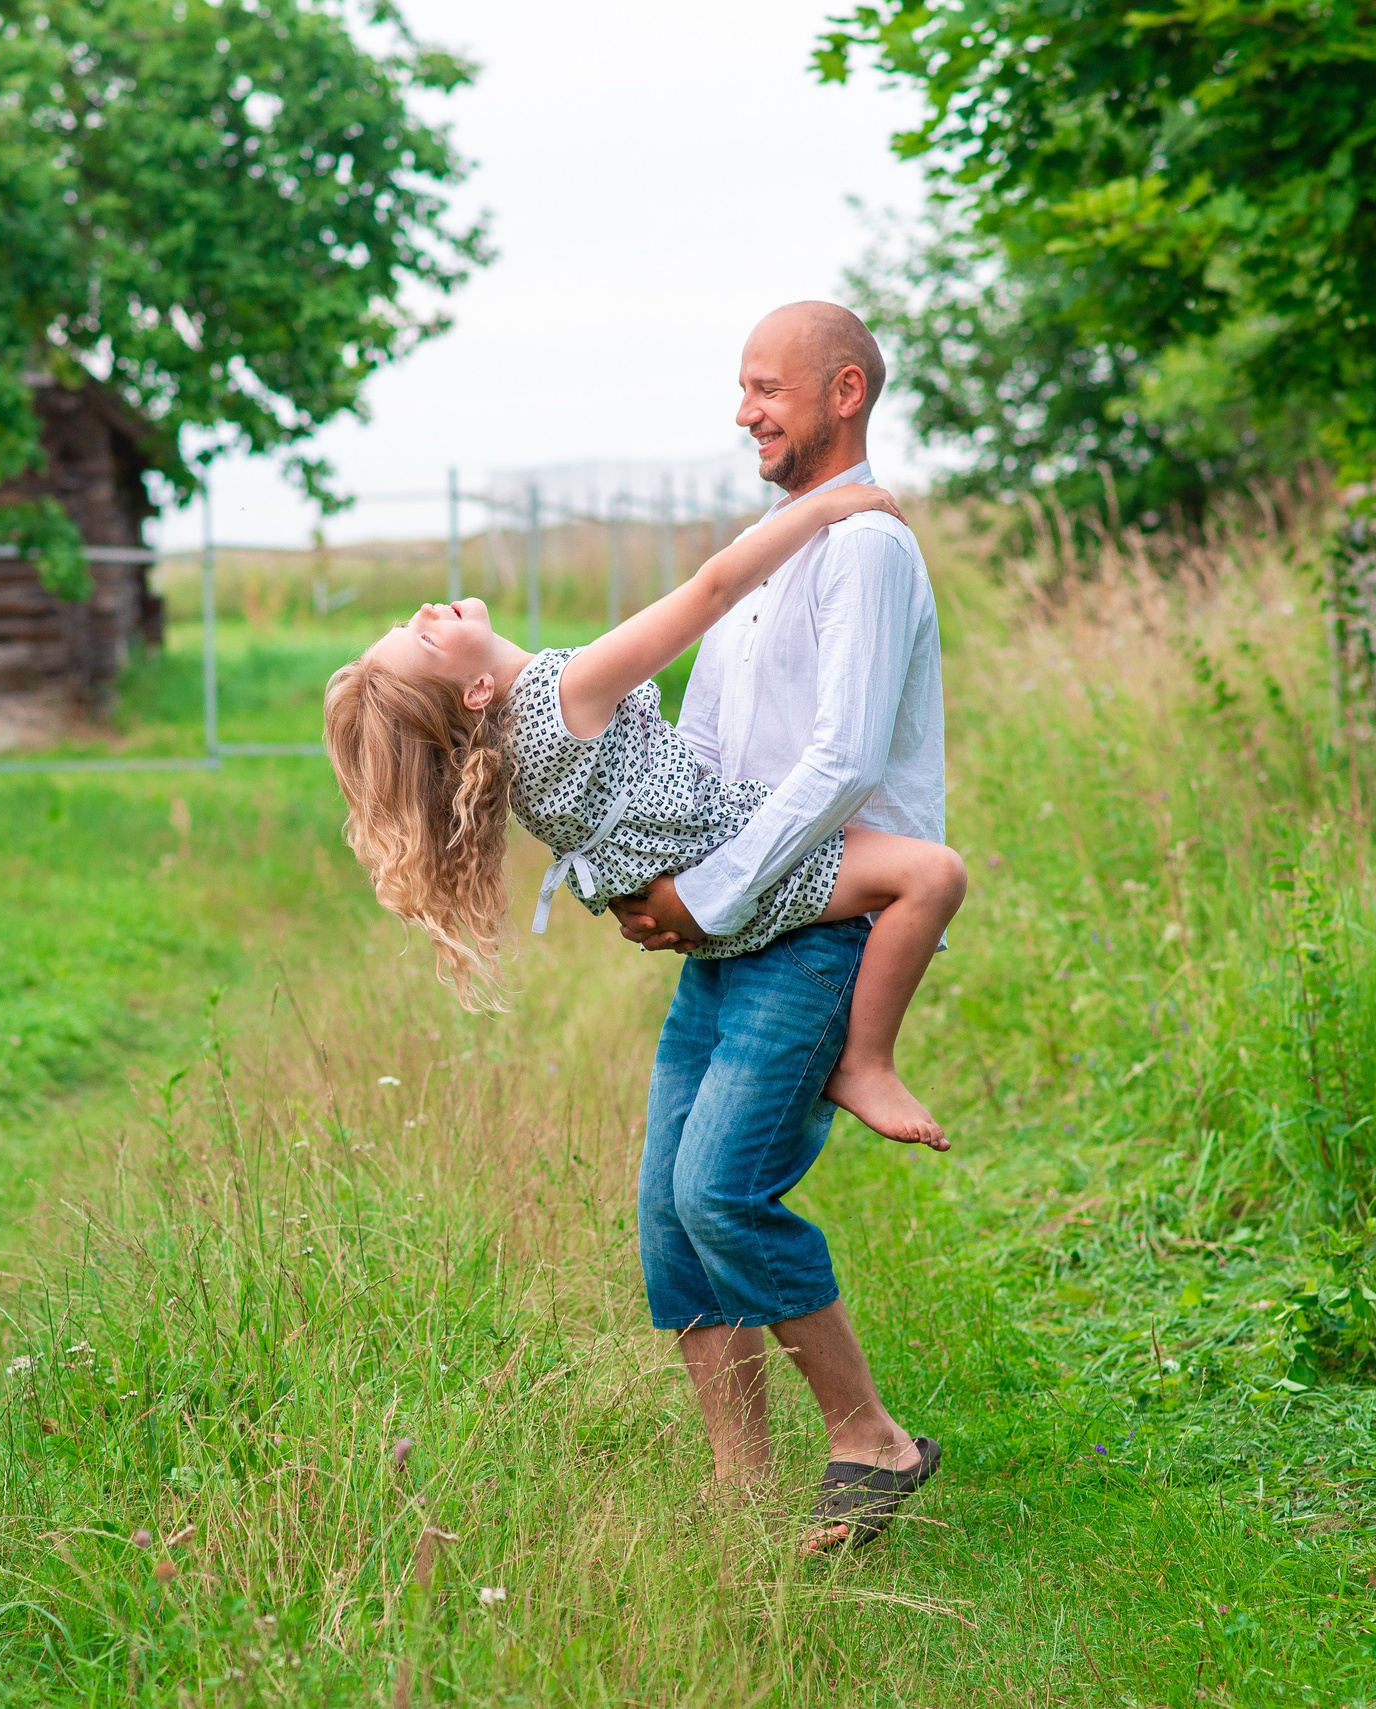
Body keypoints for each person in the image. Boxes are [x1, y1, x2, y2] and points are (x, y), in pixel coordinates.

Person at [604, 302, 948, 1553]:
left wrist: (716, 890)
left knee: (723, 1190)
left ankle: (873, 1440)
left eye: (767, 387)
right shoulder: (772, 545)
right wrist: (658, 877)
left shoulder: (865, 550)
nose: (745, 409)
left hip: (817, 926)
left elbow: (846, 759)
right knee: (666, 1209)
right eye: (740, 387)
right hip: (731, 930)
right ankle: (738, 1482)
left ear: (842, 390)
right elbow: (706, 749)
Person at [323, 476, 963, 1149]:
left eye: (406, 624)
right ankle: (867, 1062)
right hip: (735, 857)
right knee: (934, 875)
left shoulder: (509, 755)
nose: (425, 612)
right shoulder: (562, 695)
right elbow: (710, 594)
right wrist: (828, 505)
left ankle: (858, 1059)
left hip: (693, 904)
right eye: (422, 642)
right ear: (477, 690)